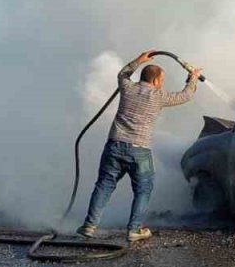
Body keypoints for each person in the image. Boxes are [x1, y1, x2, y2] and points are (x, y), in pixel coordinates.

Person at [77, 50, 201, 242]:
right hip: (139, 150)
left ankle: (89, 226)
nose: (162, 83)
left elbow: (122, 74)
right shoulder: (159, 96)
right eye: (162, 79)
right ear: (156, 81)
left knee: (104, 185)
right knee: (143, 189)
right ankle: (134, 229)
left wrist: (139, 60)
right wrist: (192, 79)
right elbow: (185, 96)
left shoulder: (128, 88)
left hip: (114, 145)